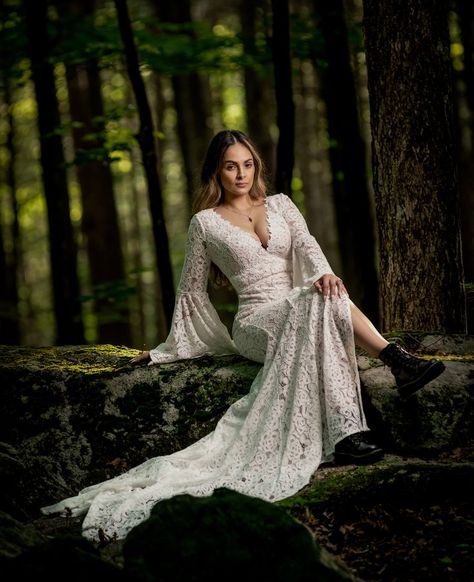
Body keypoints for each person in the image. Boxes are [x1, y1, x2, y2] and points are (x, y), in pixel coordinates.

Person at [41, 130, 445, 541]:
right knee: (317, 299)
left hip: (301, 304)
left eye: (248, 164)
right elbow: (191, 289)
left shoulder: (281, 205)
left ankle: (359, 421)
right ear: (217, 169)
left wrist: (323, 273)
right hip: (255, 322)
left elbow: (308, 246)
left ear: (256, 166)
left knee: (325, 290)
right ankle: (390, 367)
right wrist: (169, 349)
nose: (241, 174)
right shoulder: (205, 223)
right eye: (231, 166)